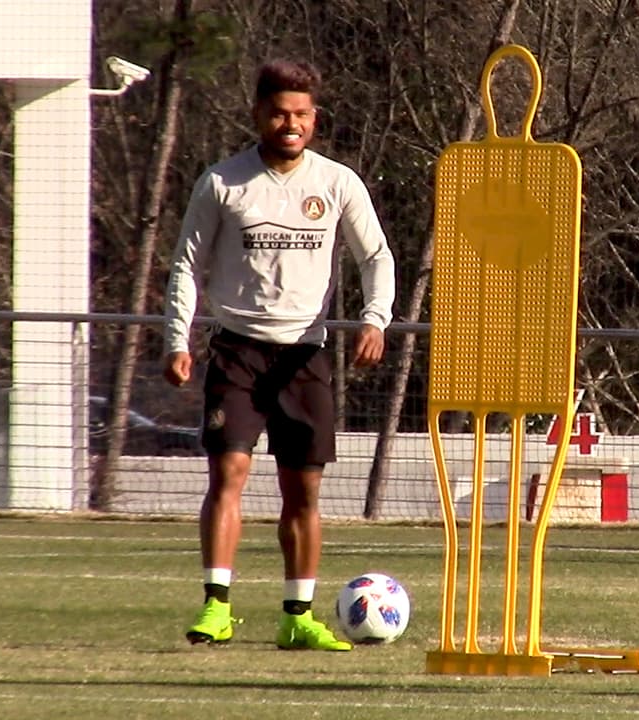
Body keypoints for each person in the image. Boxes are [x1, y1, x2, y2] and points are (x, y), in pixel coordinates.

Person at [162, 58, 395, 651]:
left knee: (303, 490)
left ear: (313, 119)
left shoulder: (337, 182)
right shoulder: (222, 182)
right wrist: (177, 338)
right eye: (278, 112)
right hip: (238, 352)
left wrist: (374, 319)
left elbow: (377, 258)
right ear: (258, 113)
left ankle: (299, 616)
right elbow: (188, 263)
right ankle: (216, 606)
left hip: (305, 357)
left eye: (301, 114)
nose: (290, 124)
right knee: (229, 473)